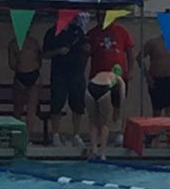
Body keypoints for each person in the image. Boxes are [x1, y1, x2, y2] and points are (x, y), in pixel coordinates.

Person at [87, 12, 135, 144]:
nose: (100, 19)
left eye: (103, 16)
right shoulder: (92, 33)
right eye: (99, 16)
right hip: (98, 78)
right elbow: (86, 55)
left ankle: (118, 132)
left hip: (118, 77)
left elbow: (130, 53)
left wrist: (130, 71)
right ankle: (100, 134)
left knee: (118, 105)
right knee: (99, 107)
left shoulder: (121, 31)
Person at [42, 14, 89, 147]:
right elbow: (44, 54)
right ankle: (55, 134)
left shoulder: (77, 31)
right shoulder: (52, 32)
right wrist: (58, 51)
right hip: (59, 74)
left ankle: (76, 134)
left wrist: (86, 50)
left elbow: (86, 49)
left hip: (77, 73)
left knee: (78, 105)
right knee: (57, 103)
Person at [139, 27, 170, 117]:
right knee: (157, 111)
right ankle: (157, 130)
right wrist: (148, 76)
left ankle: (168, 130)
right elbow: (140, 58)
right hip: (156, 80)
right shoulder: (153, 43)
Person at [85, 64, 127, 160]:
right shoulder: (118, 78)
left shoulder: (101, 73)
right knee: (104, 123)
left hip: (90, 88)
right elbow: (122, 98)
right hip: (104, 89)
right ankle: (102, 153)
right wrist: (120, 116)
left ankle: (94, 149)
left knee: (92, 121)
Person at [8, 31, 42, 137]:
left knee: (29, 108)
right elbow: (12, 63)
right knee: (19, 107)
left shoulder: (33, 42)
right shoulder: (14, 43)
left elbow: (39, 59)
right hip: (22, 75)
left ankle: (27, 135)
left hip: (32, 74)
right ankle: (19, 134)